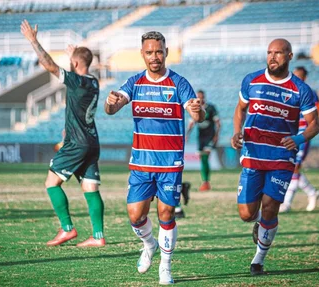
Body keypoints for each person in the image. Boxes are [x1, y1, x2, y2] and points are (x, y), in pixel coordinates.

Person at [104, 31, 204, 285]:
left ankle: (166, 268)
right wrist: (110, 102)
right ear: (142, 54)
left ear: (166, 52)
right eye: (149, 52)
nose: (154, 57)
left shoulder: (179, 83)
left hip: (170, 164)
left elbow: (197, 114)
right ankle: (149, 245)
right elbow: (113, 108)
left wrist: (197, 111)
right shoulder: (135, 83)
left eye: (159, 51)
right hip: (141, 163)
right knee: (136, 216)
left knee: (167, 214)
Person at [231, 39, 319, 276]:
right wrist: (237, 132)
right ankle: (259, 224)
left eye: (278, 53)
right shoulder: (251, 80)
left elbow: (314, 126)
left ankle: (258, 260)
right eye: (269, 52)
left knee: (271, 209)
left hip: (281, 156)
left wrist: (299, 139)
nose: (272, 57)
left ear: (289, 56)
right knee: (246, 214)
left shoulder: (301, 90)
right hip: (253, 153)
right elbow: (240, 109)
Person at [21, 20, 105, 247]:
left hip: (76, 143)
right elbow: (80, 67)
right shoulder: (93, 82)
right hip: (92, 141)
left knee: (51, 182)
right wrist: (75, 57)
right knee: (90, 187)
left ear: (75, 62)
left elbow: (48, 64)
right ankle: (98, 237)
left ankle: (67, 229)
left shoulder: (76, 80)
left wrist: (33, 40)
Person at [279, 66, 319, 213]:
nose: (297, 79)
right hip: (291, 134)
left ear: (305, 78)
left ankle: (287, 203)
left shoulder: (311, 93)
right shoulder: (288, 93)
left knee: (295, 167)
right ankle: (312, 192)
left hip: (304, 135)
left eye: (300, 76)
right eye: (295, 76)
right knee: (290, 167)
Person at [186, 90, 221, 191]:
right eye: (198, 97)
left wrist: (216, 135)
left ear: (204, 97)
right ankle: (205, 182)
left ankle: (206, 182)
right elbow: (191, 124)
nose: (199, 99)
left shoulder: (210, 108)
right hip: (201, 138)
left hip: (210, 136)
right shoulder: (195, 109)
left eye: (201, 97)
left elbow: (218, 123)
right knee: (202, 159)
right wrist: (187, 134)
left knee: (205, 157)